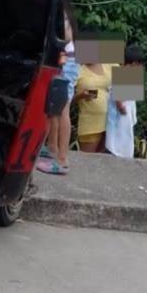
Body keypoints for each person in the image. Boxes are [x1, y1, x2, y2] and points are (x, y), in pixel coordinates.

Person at [37, 9, 78, 175]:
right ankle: (52, 147)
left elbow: (67, 35)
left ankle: (63, 159)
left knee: (62, 110)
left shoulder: (63, 14)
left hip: (68, 62)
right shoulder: (61, 8)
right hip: (65, 61)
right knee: (54, 108)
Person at [105, 44, 143, 158]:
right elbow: (118, 97)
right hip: (121, 114)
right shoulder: (124, 75)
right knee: (120, 135)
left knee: (123, 134)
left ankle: (120, 152)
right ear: (133, 63)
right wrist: (121, 107)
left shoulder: (129, 75)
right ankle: (118, 152)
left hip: (125, 114)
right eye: (139, 64)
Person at [74, 60, 114, 153]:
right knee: (87, 160)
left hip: (111, 123)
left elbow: (131, 90)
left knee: (105, 160)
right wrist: (81, 95)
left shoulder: (109, 64)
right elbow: (67, 100)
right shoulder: (78, 70)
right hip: (90, 124)